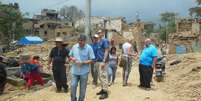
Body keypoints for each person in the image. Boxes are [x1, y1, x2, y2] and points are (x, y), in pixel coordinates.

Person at [69, 34, 95, 101]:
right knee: (73, 86)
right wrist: (72, 59)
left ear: (85, 41)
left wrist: (83, 63)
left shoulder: (89, 48)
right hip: (74, 71)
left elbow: (92, 60)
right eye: (79, 40)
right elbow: (70, 56)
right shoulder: (74, 47)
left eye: (82, 41)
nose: (80, 42)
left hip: (84, 72)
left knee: (82, 89)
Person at [94, 30, 110, 100]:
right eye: (98, 32)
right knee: (100, 77)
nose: (99, 33)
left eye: (100, 32)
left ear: (103, 33)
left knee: (103, 76)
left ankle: (105, 92)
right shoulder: (98, 41)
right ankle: (102, 89)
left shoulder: (104, 40)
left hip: (103, 62)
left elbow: (106, 50)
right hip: (98, 61)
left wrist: (104, 61)